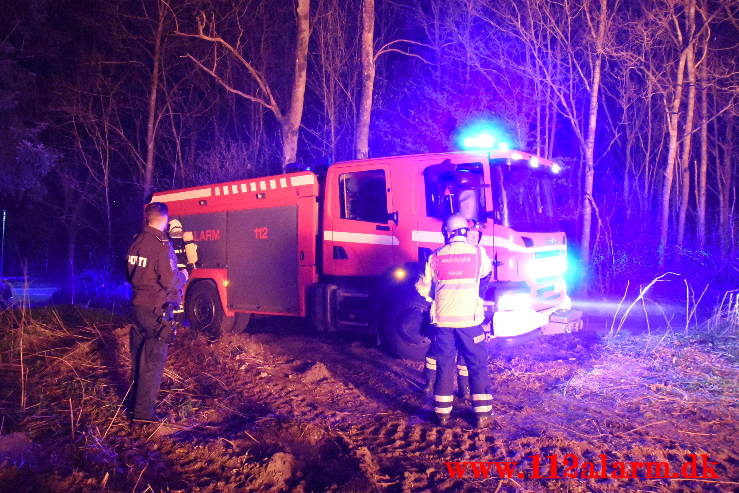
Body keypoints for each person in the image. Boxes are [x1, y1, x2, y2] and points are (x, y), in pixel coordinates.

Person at [415, 214, 493, 428]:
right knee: (476, 364)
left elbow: (422, 288)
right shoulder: (478, 253)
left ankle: (442, 414)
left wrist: (434, 299)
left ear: (446, 233)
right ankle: (482, 415)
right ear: (465, 232)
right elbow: (486, 274)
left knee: (444, 365)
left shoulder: (434, 257)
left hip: (443, 324)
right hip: (469, 322)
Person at [126, 202, 186, 422]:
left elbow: (129, 274)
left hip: (137, 307)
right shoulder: (161, 245)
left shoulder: (135, 242)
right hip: (155, 309)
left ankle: (133, 407)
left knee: (138, 362)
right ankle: (143, 417)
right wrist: (184, 276)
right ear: (164, 219)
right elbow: (170, 279)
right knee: (151, 363)